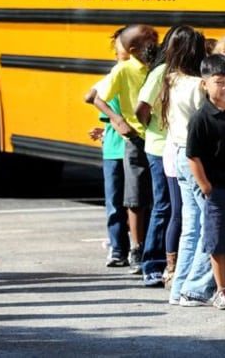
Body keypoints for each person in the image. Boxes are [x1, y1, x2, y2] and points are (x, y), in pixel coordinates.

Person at [85, 24, 159, 275]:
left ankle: (154, 246)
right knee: (134, 197)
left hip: (158, 137)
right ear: (134, 49)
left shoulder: (158, 67)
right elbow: (96, 97)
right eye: (150, 40)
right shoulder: (123, 70)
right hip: (136, 138)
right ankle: (135, 247)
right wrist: (117, 120)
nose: (155, 43)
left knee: (158, 196)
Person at [135, 26, 205, 290]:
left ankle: (172, 265)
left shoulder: (189, 78)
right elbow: (142, 107)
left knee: (178, 208)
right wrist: (152, 126)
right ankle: (153, 263)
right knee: (165, 206)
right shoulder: (162, 74)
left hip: (176, 146)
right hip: (160, 145)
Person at [185, 53, 225, 310]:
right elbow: (193, 156)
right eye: (219, 82)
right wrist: (206, 187)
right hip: (218, 189)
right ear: (205, 84)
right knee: (217, 241)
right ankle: (222, 289)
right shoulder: (201, 118)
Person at [164, 28, 216, 307]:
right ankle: (195, 287)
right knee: (209, 224)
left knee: (190, 227)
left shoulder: (170, 80)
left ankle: (179, 287)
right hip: (198, 157)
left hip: (178, 153)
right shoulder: (198, 85)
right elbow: (205, 121)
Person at [87, 27, 130, 268]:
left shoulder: (139, 77)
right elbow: (91, 95)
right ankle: (117, 247)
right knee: (115, 202)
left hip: (131, 147)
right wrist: (113, 120)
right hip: (114, 148)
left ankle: (134, 247)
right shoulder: (113, 78)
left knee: (135, 202)